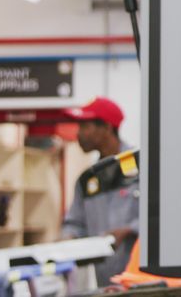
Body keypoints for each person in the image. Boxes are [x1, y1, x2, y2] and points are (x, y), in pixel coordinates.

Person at [61, 96, 139, 287]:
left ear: (107, 128)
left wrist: (129, 229)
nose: (78, 134)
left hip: (141, 281)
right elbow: (75, 223)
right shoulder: (87, 179)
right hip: (105, 283)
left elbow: (164, 216)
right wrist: (68, 239)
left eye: (85, 127)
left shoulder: (142, 166)